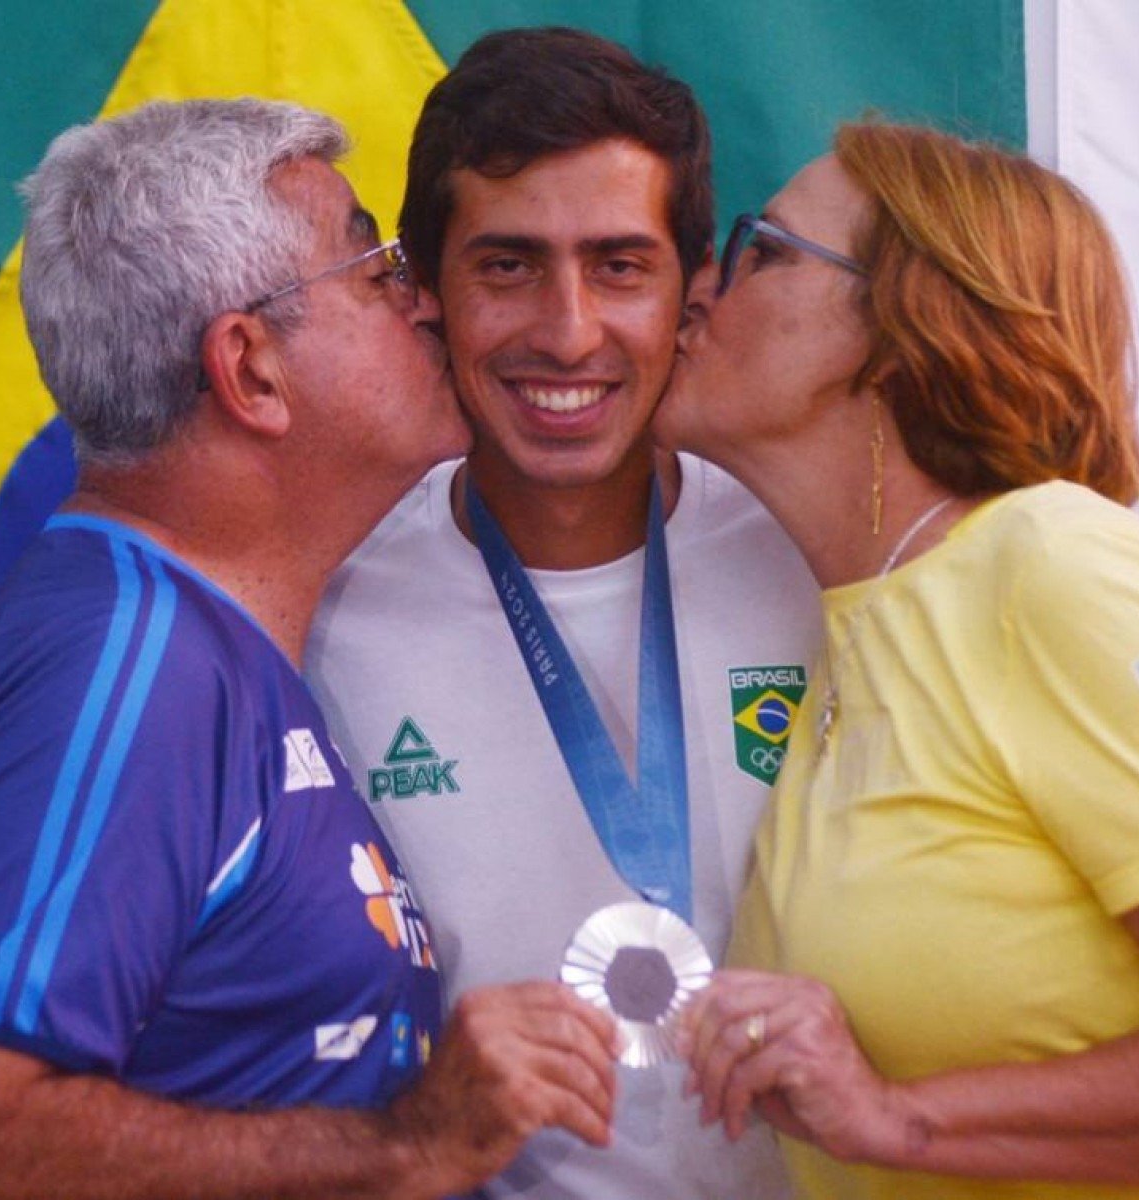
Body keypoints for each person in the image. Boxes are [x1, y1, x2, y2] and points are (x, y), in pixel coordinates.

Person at [0, 99, 620, 1200]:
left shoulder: (194, 645)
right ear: (250, 368)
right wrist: (414, 1143)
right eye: (377, 271)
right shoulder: (125, 662)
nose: (429, 305)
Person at [659, 123, 1139, 1198]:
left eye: (761, 247)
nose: (698, 290)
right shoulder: (858, 627)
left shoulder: (1056, 570)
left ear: (903, 324)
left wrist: (893, 1117)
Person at [304, 27, 819, 1199]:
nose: (569, 331)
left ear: (695, 294)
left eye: (621, 265)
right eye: (509, 265)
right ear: (424, 293)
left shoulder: (811, 555)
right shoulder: (326, 599)